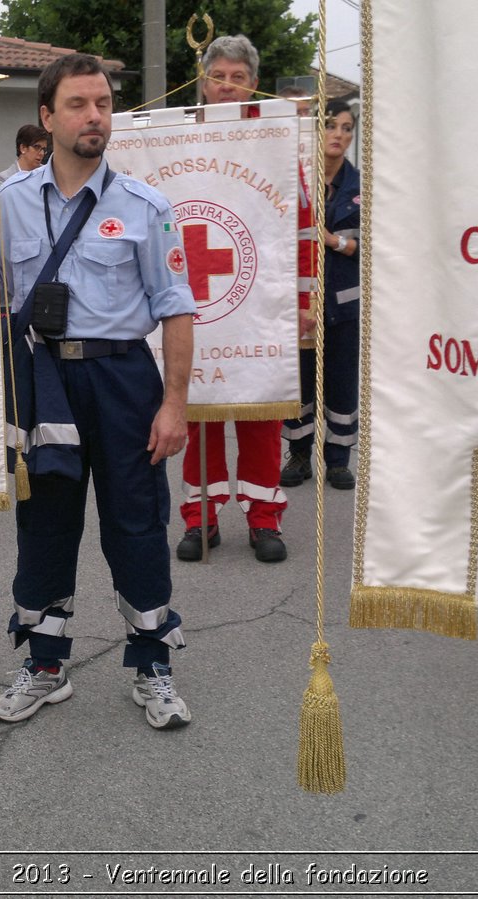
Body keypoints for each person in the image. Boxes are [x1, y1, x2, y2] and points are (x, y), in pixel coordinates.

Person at [0, 52, 195, 730]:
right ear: (46, 117)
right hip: (42, 379)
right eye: (78, 104)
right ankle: (45, 664)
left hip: (122, 380)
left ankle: (152, 665)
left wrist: (172, 404)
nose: (94, 116)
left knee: (136, 521)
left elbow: (176, 308)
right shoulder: (8, 203)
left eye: (103, 104)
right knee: (43, 520)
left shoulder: (146, 205)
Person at [177, 35, 291, 563]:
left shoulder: (276, 141)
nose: (226, 86)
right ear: (202, 82)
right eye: (218, 76)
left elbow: (300, 224)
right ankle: (201, 519)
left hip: (261, 302)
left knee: (262, 419)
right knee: (197, 414)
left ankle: (264, 518)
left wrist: (304, 300)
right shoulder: (176, 141)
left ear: (253, 84)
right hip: (201, 300)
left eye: (237, 78)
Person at [280, 97, 361, 492]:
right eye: (331, 126)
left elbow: (378, 242)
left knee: (342, 381)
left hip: (344, 302)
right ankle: (298, 454)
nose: (339, 135)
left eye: (347, 128)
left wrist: (335, 241)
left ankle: (339, 459)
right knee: (300, 381)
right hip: (301, 303)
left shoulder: (361, 184)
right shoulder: (297, 180)